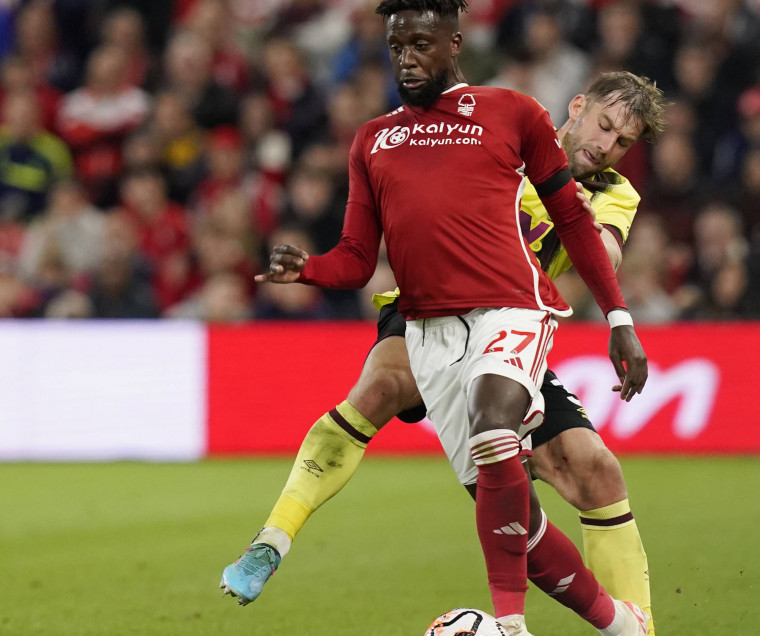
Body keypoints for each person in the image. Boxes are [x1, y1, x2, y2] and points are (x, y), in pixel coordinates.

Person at [221, 3, 652, 636]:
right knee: (382, 386)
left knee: (591, 469)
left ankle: (633, 626)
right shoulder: (487, 130)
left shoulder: (609, 191)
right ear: (579, 105)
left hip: (509, 315)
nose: (605, 147)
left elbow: (597, 246)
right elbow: (381, 230)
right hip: (427, 311)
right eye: (605, 126)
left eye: (623, 142)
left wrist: (615, 308)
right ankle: (271, 540)